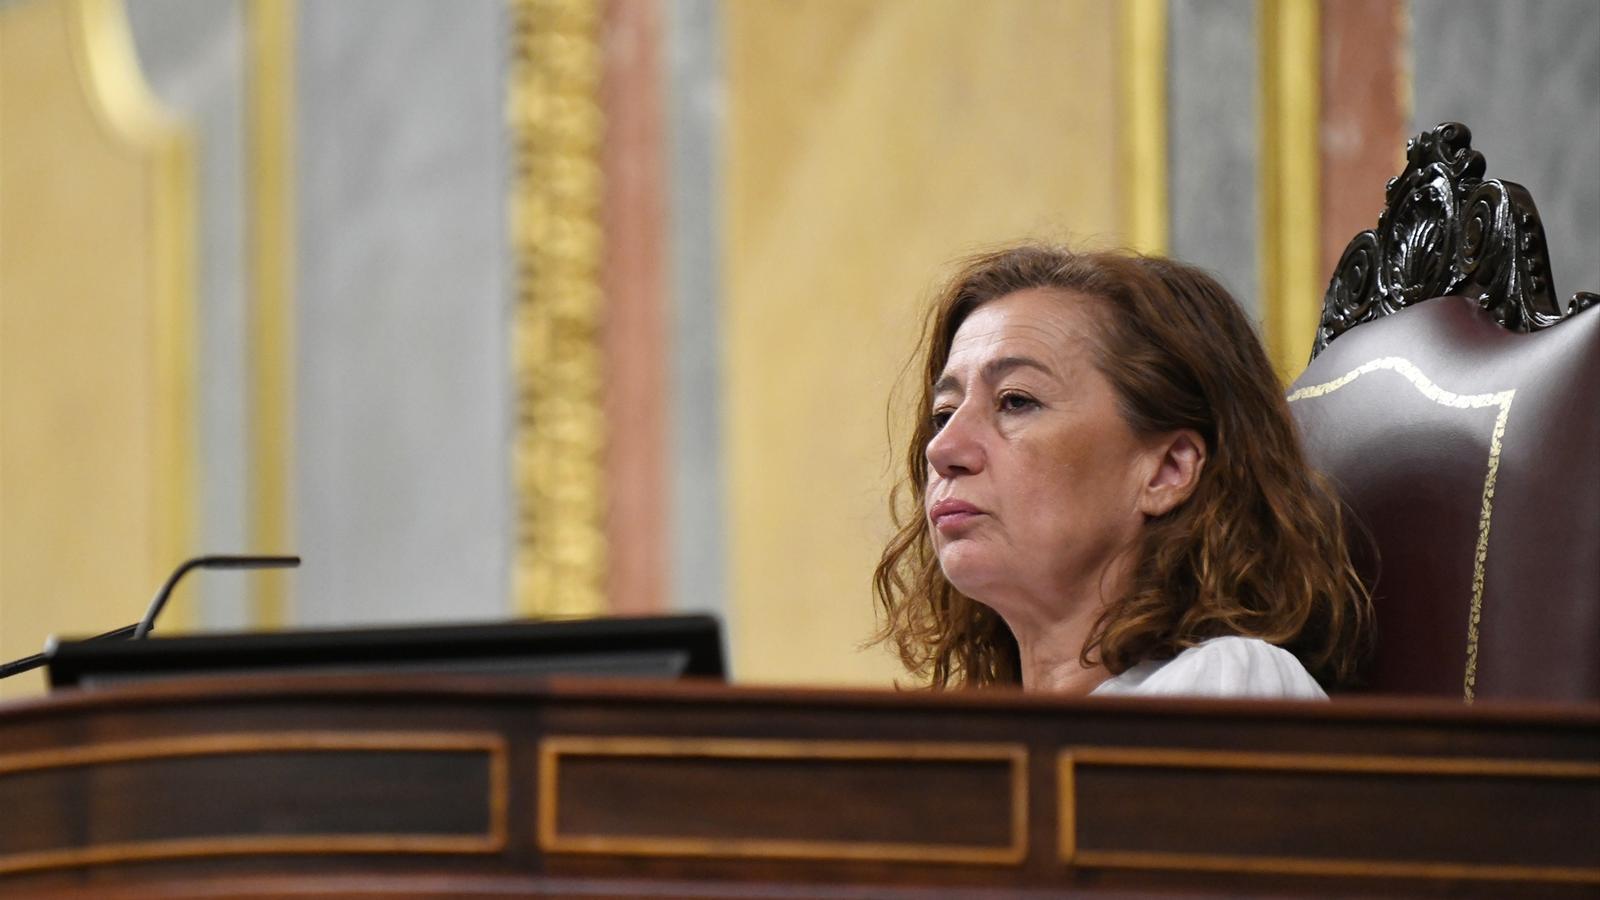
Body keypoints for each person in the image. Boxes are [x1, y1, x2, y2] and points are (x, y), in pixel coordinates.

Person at [873, 244, 1372, 698]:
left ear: (1167, 470)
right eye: (944, 413)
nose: (943, 448)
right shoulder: (976, 744)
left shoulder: (1229, 682)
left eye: (1016, 401)